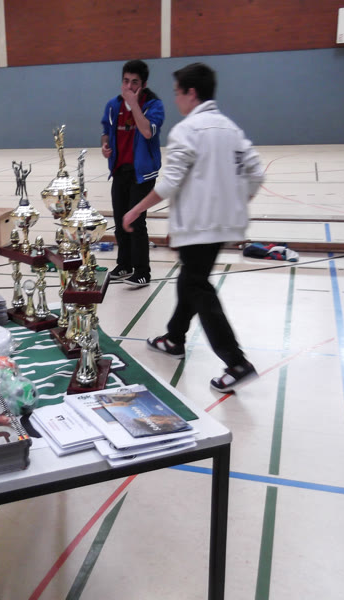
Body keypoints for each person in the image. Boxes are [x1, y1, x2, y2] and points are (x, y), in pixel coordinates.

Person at [122, 63, 265, 393]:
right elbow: (256, 173)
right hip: (223, 224)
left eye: (177, 93)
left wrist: (136, 210)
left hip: (199, 225)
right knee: (190, 278)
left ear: (191, 93)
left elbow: (169, 183)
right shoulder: (230, 128)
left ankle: (236, 362)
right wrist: (236, 202)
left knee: (198, 285)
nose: (175, 100)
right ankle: (174, 338)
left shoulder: (187, 130)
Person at [101, 59, 165, 288]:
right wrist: (105, 144)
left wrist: (134, 104)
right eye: (126, 81)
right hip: (120, 170)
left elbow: (147, 132)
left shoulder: (154, 105)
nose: (129, 86)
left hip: (143, 173)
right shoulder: (113, 105)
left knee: (136, 222)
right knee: (120, 221)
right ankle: (124, 265)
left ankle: (142, 272)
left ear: (144, 84)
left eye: (134, 82)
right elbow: (106, 131)